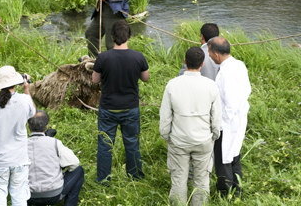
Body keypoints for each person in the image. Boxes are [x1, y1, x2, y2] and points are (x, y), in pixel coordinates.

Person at [160, 47, 222, 206]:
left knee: (179, 180)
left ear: (185, 61)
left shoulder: (172, 85)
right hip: (204, 141)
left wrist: (166, 135)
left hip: (179, 141)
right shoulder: (211, 85)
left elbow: (165, 116)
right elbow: (216, 118)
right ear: (202, 64)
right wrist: (214, 136)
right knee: (202, 181)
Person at [92, 21, 149, 183]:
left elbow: (95, 80)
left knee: (105, 145)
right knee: (131, 142)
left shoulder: (103, 57)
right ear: (129, 36)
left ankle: (103, 179)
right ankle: (135, 176)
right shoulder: (138, 56)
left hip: (108, 108)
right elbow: (145, 78)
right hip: (130, 108)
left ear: (112, 36)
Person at [0, 66, 36, 206]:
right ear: (17, 82)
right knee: (20, 198)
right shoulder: (25, 100)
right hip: (20, 159)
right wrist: (27, 90)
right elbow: (33, 113)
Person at [207, 37, 251, 197]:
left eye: (210, 53)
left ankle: (226, 194)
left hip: (228, 122)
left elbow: (230, 103)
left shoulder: (226, 73)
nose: (210, 57)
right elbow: (247, 90)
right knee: (234, 155)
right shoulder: (238, 64)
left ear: (216, 54)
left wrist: (219, 125)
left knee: (223, 158)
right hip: (239, 118)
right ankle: (237, 190)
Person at [27, 110, 84, 206]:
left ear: (28, 126)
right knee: (79, 170)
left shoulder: (20, 146)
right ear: (46, 126)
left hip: (28, 196)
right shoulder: (54, 143)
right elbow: (74, 164)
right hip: (54, 195)